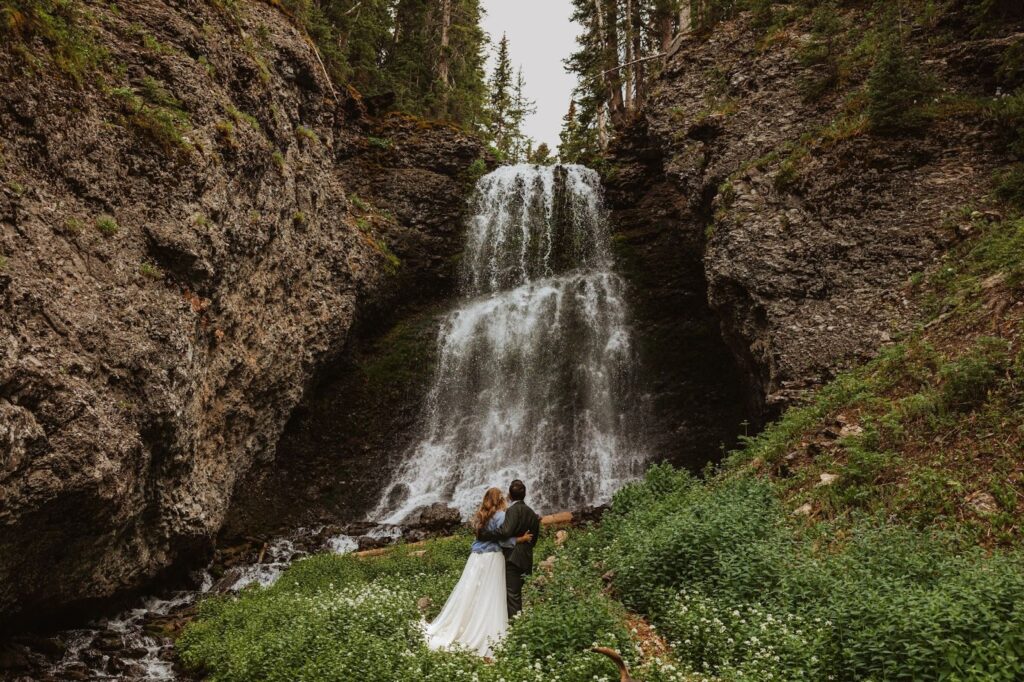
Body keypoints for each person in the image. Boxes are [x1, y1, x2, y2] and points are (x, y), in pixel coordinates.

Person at [424, 487, 532, 657]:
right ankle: (487, 632)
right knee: (490, 594)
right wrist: (521, 539)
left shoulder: (480, 515)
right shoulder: (501, 515)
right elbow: (503, 540)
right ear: (499, 499)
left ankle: (465, 623)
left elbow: (484, 535)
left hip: (475, 558)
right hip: (492, 558)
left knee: (471, 592)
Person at [476, 479, 541, 618]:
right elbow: (534, 540)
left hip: (512, 558)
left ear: (510, 496)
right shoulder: (532, 513)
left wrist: (484, 534)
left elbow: (505, 532)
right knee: (516, 594)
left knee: (512, 596)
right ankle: (514, 623)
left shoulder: (511, 511)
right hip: (526, 559)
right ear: (525, 494)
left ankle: (515, 628)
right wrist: (523, 543)